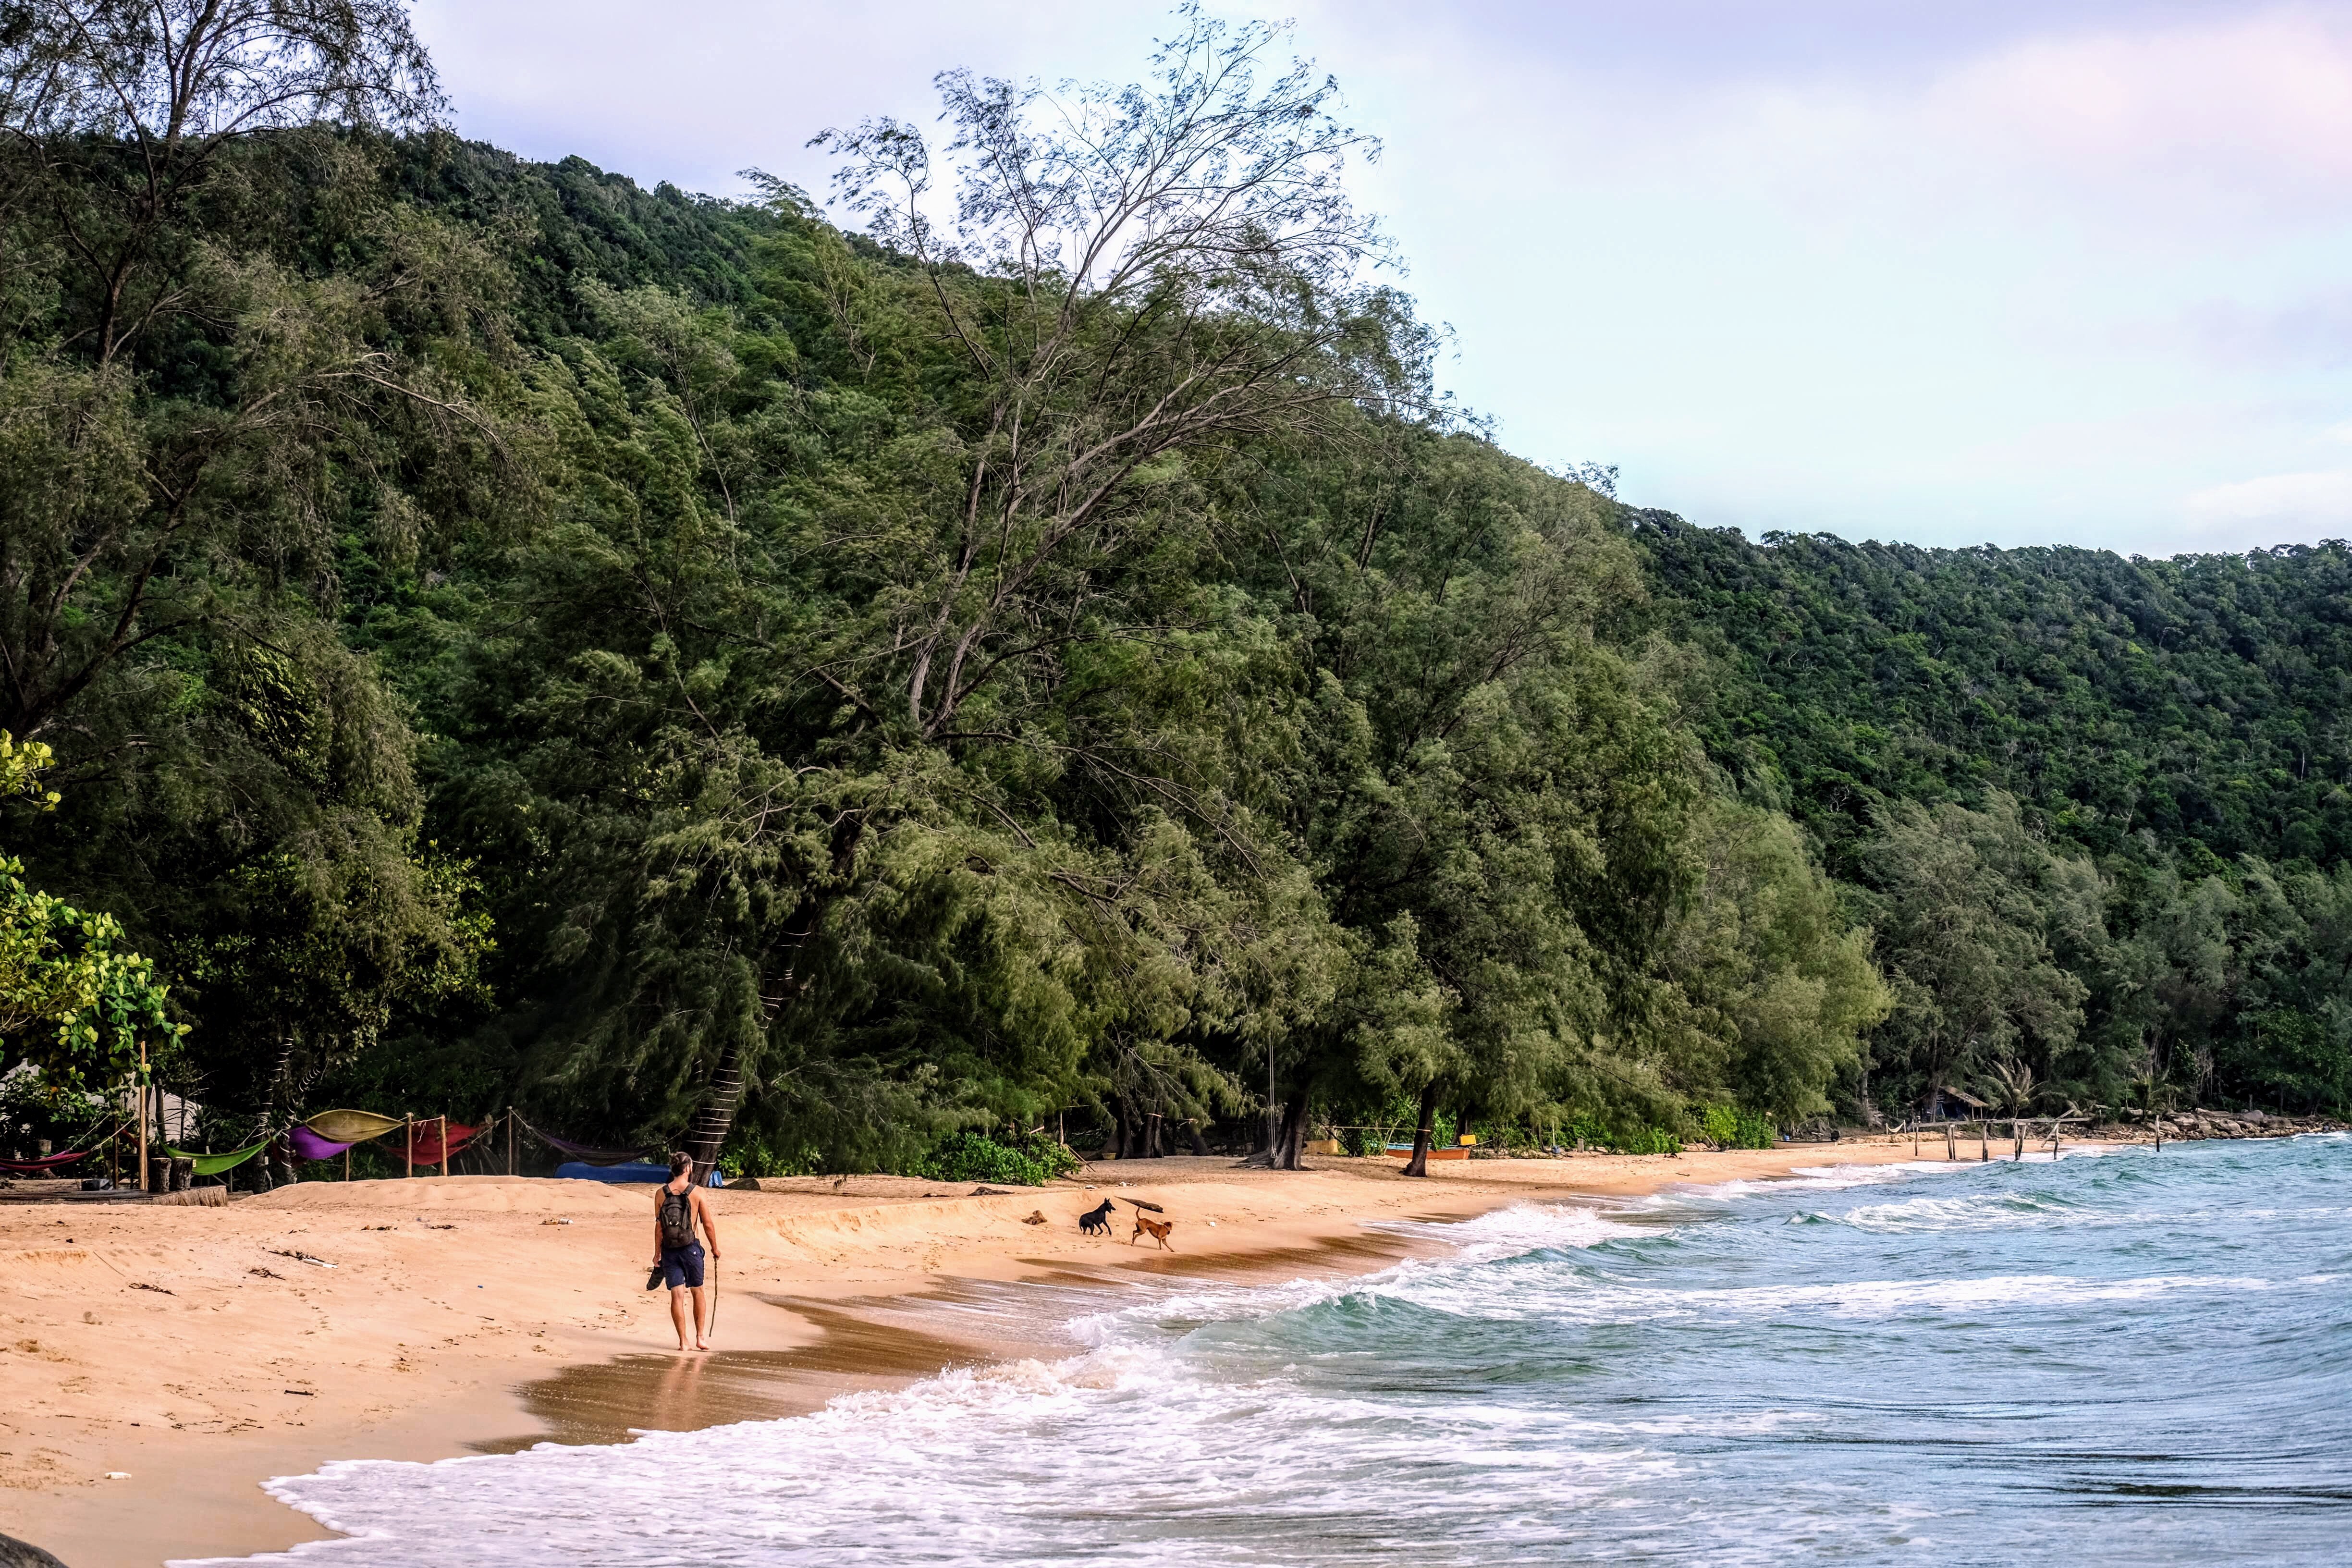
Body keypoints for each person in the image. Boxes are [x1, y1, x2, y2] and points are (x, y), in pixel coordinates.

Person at [651, 1151, 721, 1351]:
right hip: (691, 1249)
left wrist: (657, 1254)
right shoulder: (697, 1192)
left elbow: (659, 1227)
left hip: (669, 1250)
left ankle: (683, 1342)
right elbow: (707, 1224)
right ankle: (700, 1338)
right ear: (689, 1168)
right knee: (698, 1291)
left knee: (677, 1296)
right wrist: (715, 1248)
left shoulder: (661, 1193)